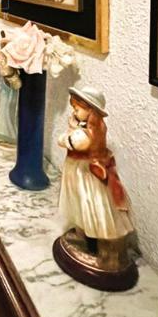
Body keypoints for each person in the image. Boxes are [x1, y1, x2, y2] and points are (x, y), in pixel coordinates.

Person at [57, 87, 132, 247]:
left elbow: (68, 141)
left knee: (87, 202)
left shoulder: (86, 135)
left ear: (90, 110)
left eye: (77, 109)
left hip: (83, 173)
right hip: (77, 172)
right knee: (78, 203)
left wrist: (70, 130)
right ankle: (82, 234)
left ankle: (95, 240)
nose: (74, 112)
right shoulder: (87, 129)